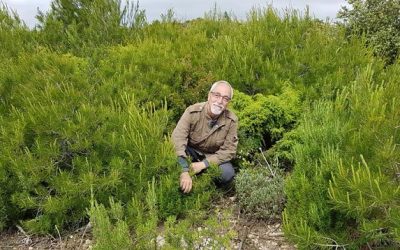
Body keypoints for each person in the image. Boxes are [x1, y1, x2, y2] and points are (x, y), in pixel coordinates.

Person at [171, 80, 238, 193]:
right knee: (171, 159)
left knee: (227, 173)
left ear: (228, 102)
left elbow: (229, 151)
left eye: (225, 98)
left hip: (212, 158)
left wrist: (203, 164)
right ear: (209, 96)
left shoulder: (232, 120)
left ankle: (203, 186)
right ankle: (186, 174)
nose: (220, 101)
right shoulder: (192, 111)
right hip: (189, 153)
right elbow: (177, 139)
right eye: (217, 95)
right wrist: (183, 170)